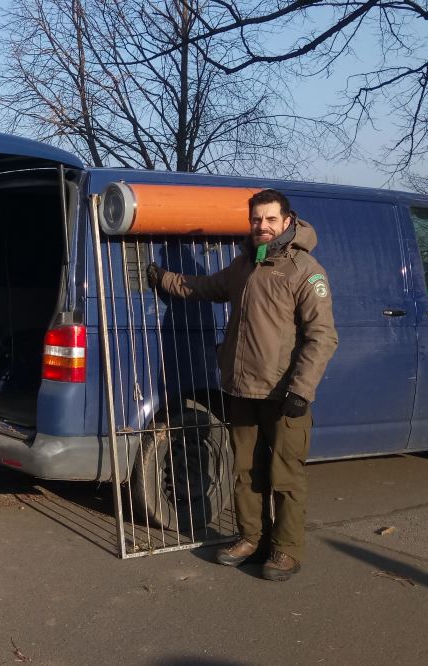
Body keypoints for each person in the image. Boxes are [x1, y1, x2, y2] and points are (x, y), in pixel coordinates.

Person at [146, 188, 337, 581]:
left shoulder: (305, 270)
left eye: (270, 219)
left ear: (287, 221)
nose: (262, 227)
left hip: (283, 395)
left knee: (285, 477)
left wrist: (302, 390)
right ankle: (251, 539)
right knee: (246, 472)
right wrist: (164, 278)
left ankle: (285, 551)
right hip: (241, 390)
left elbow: (322, 336)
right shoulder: (243, 266)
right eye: (256, 220)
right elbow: (204, 288)